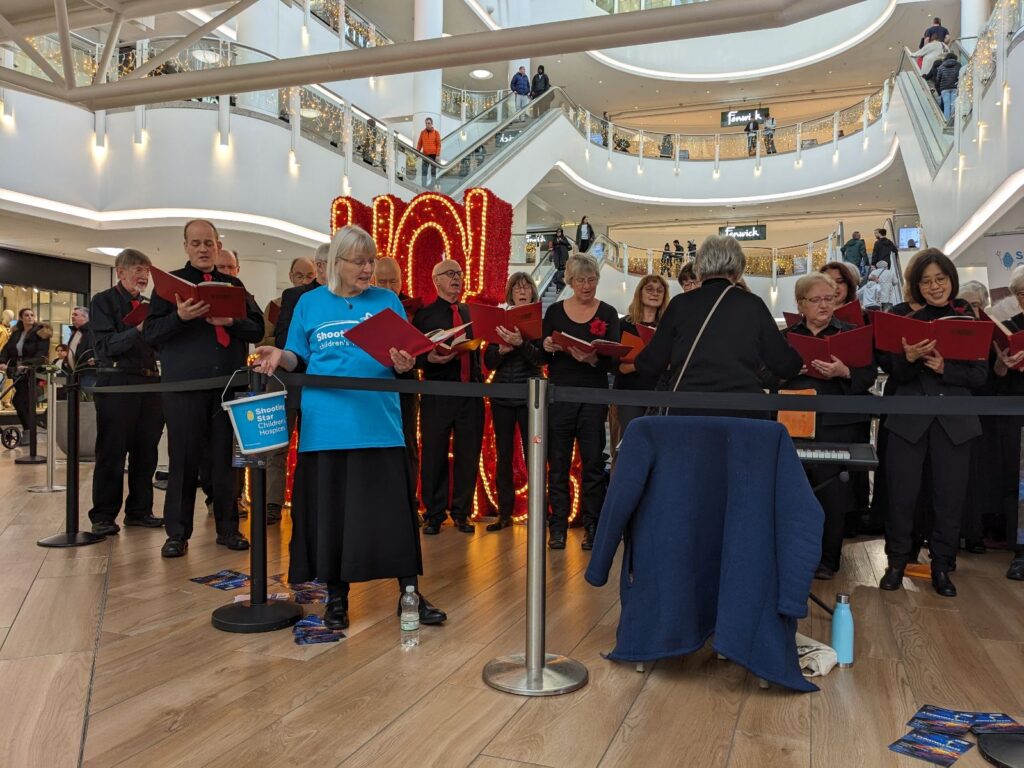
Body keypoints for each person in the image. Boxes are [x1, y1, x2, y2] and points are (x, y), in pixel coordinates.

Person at [252, 225, 445, 630]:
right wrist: (277, 353)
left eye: (371, 260)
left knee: (394, 514)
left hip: (381, 424)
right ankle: (337, 599)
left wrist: (405, 362)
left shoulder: (387, 299)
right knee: (332, 515)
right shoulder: (310, 303)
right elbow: (296, 357)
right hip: (326, 428)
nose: (367, 268)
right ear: (336, 263)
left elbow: (402, 358)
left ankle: (408, 594)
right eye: (359, 261)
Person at [144, 219, 264, 558]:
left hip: (228, 386)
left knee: (227, 461)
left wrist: (231, 322)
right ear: (186, 246)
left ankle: (229, 529)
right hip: (184, 388)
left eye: (208, 242)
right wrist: (179, 317)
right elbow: (151, 333)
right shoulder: (169, 286)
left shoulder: (234, 283)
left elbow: (256, 329)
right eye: (195, 243)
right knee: (182, 461)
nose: (202, 248)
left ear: (217, 244)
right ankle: (177, 534)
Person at [879, 250, 987, 598]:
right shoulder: (906, 321)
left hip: (955, 424)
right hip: (908, 421)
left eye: (941, 279)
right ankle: (896, 563)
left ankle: (942, 566)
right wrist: (908, 359)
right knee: (901, 496)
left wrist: (945, 369)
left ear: (951, 279)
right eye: (926, 281)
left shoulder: (969, 318)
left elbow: (980, 376)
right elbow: (893, 372)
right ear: (917, 286)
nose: (935, 286)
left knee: (949, 498)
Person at [635, 235, 802, 417]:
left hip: (688, 410)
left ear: (699, 269)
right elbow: (785, 365)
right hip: (742, 411)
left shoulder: (680, 304)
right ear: (738, 271)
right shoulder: (752, 304)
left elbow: (649, 364)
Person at [780, 273, 877, 580]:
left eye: (829, 299)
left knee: (832, 496)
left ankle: (828, 560)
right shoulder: (785, 337)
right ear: (800, 304)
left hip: (837, 424)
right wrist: (789, 371)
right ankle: (790, 556)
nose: (824, 305)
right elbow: (764, 375)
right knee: (792, 491)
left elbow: (868, 376)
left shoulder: (852, 333)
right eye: (816, 300)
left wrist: (844, 371)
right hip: (793, 424)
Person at [542, 254, 620, 551]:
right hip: (560, 395)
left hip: (593, 395)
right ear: (570, 282)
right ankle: (557, 527)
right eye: (580, 280)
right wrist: (546, 346)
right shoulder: (556, 313)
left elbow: (614, 358)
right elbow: (541, 357)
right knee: (558, 464)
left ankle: (593, 526)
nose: (586, 285)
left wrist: (594, 357)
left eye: (591, 280)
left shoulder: (609, 313)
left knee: (593, 464)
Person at [87, 248, 165, 536]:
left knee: (147, 451)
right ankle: (104, 515)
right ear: (120, 271)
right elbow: (106, 347)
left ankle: (140, 510)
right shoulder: (103, 302)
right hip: (117, 385)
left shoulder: (149, 305)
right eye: (137, 269)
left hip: (151, 385)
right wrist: (139, 329)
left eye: (146, 270)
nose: (143, 276)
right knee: (112, 451)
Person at [413, 259, 484, 536]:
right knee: (433, 455)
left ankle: (462, 513)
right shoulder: (425, 315)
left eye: (459, 273)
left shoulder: (471, 312)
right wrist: (427, 359)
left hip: (471, 393)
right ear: (436, 280)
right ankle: (433, 514)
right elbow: (415, 353)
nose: (457, 278)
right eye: (450, 274)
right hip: (437, 392)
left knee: (469, 454)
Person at [484, 272, 544, 532]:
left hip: (530, 395)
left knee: (535, 454)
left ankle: (537, 512)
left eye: (526, 287)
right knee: (504, 455)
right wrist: (502, 350)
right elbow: (488, 361)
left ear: (532, 292)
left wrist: (521, 344)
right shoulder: (499, 321)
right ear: (510, 293)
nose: (522, 291)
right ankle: (504, 513)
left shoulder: (539, 321)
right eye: (517, 287)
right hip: (502, 396)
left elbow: (541, 359)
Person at [374, 256, 421, 502]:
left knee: (408, 441)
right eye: (383, 282)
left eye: (394, 281)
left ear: (402, 281)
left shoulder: (414, 308)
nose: (389, 288)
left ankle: (408, 499)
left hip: (405, 384)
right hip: (373, 386)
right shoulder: (365, 305)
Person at [614, 275, 670, 445]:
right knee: (631, 443)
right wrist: (648, 363)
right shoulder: (623, 325)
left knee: (659, 444)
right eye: (650, 289)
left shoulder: (667, 327)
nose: (655, 293)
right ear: (640, 293)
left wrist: (637, 364)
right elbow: (618, 366)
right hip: (629, 393)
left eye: (660, 290)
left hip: (660, 393)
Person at [0, 308, 51, 439]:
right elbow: (7, 349)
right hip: (17, 370)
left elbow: (42, 355)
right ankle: (29, 430)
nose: (30, 317)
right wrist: (2, 361)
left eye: (32, 315)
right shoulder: (17, 333)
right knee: (20, 401)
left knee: (22, 400)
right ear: (21, 318)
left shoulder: (41, 332)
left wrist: (27, 365)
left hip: (33, 372)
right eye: (26, 315)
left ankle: (30, 431)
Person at [260, 257, 315, 347]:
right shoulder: (275, 306)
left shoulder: (321, 304)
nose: (304, 281)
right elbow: (263, 340)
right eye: (299, 276)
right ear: (291, 277)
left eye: (309, 277)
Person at [65, 306, 97, 388]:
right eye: (72, 314)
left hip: (88, 373)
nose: (72, 317)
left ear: (85, 317)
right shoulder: (76, 332)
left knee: (86, 399)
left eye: (75, 314)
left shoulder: (92, 331)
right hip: (75, 373)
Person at [934, 52, 961, 122]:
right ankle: (952, 122)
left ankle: (946, 122)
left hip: (944, 88)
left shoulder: (941, 66)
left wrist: (939, 89)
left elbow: (938, 79)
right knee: (953, 105)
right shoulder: (958, 65)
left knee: (946, 106)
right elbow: (960, 76)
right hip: (955, 87)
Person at [415, 117, 441, 187]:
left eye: (428, 123)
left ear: (432, 124)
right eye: (426, 123)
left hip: (433, 155)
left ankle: (432, 187)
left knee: (433, 172)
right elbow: (419, 143)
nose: (427, 125)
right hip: (425, 155)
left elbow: (439, 145)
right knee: (424, 172)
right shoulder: (422, 132)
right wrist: (417, 153)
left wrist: (437, 155)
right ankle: (423, 186)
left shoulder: (436, 133)